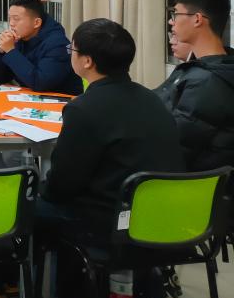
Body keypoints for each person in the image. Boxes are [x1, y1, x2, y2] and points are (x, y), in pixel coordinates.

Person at [39, 19, 185, 244]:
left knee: (25, 206)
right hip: (159, 216)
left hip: (109, 221)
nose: (70, 54)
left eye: (72, 50)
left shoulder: (83, 109)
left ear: (87, 61)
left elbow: (61, 187)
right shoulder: (152, 98)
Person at [154, 0, 234, 171]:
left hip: (184, 180)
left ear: (197, 19)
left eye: (176, 14)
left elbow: (174, 147)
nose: (171, 21)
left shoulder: (208, 80)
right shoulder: (206, 68)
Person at [0, 0, 83, 95]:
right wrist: (1, 50)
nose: (11, 23)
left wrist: (11, 51)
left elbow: (40, 83)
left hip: (62, 100)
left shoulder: (58, 44)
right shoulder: (19, 39)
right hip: (28, 98)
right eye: (9, 18)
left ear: (36, 22)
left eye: (16, 19)